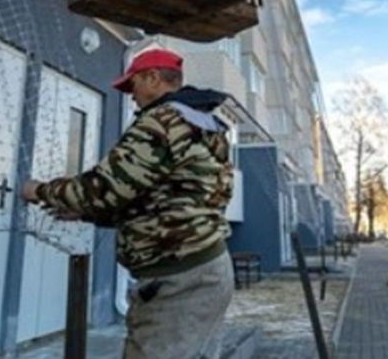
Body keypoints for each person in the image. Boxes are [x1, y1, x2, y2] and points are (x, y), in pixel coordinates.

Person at [21, 48, 235, 359]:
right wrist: (86, 214)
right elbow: (166, 199)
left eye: (132, 85)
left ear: (153, 78)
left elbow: (104, 188)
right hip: (207, 268)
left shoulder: (161, 122)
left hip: (178, 280)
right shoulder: (202, 123)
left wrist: (40, 190)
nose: (131, 97)